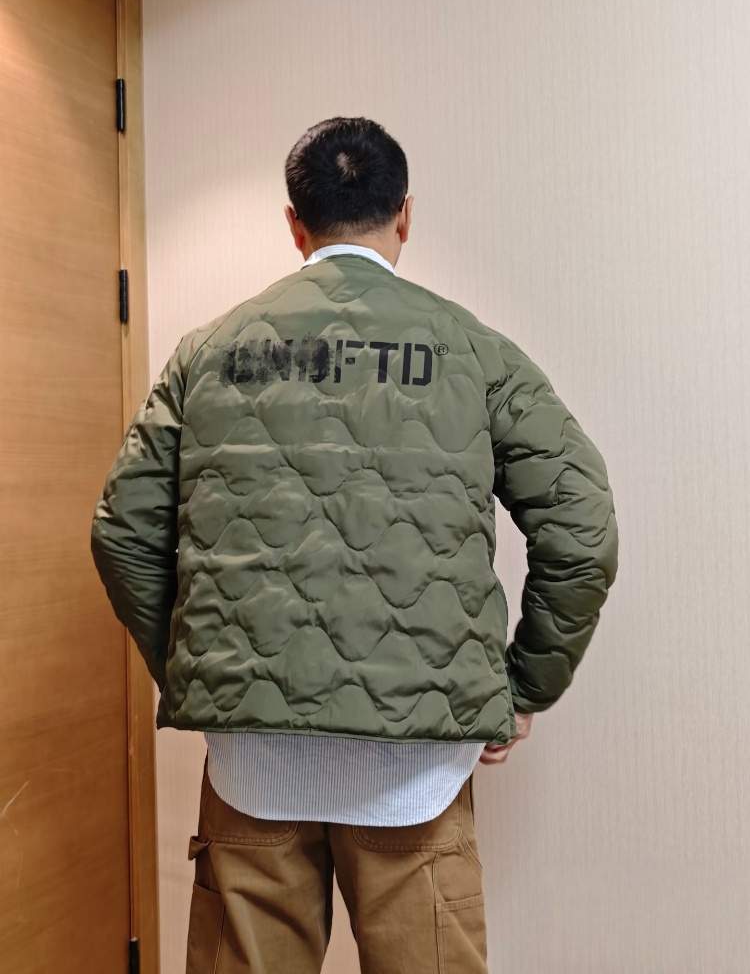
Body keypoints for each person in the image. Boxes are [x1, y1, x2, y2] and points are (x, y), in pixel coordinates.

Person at [91, 116, 618, 974]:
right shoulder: (473, 350)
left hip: (252, 766)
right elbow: (582, 527)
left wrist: (202, 670)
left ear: (294, 224)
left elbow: (122, 531)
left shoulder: (207, 352)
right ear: (404, 214)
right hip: (420, 776)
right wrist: (524, 687)